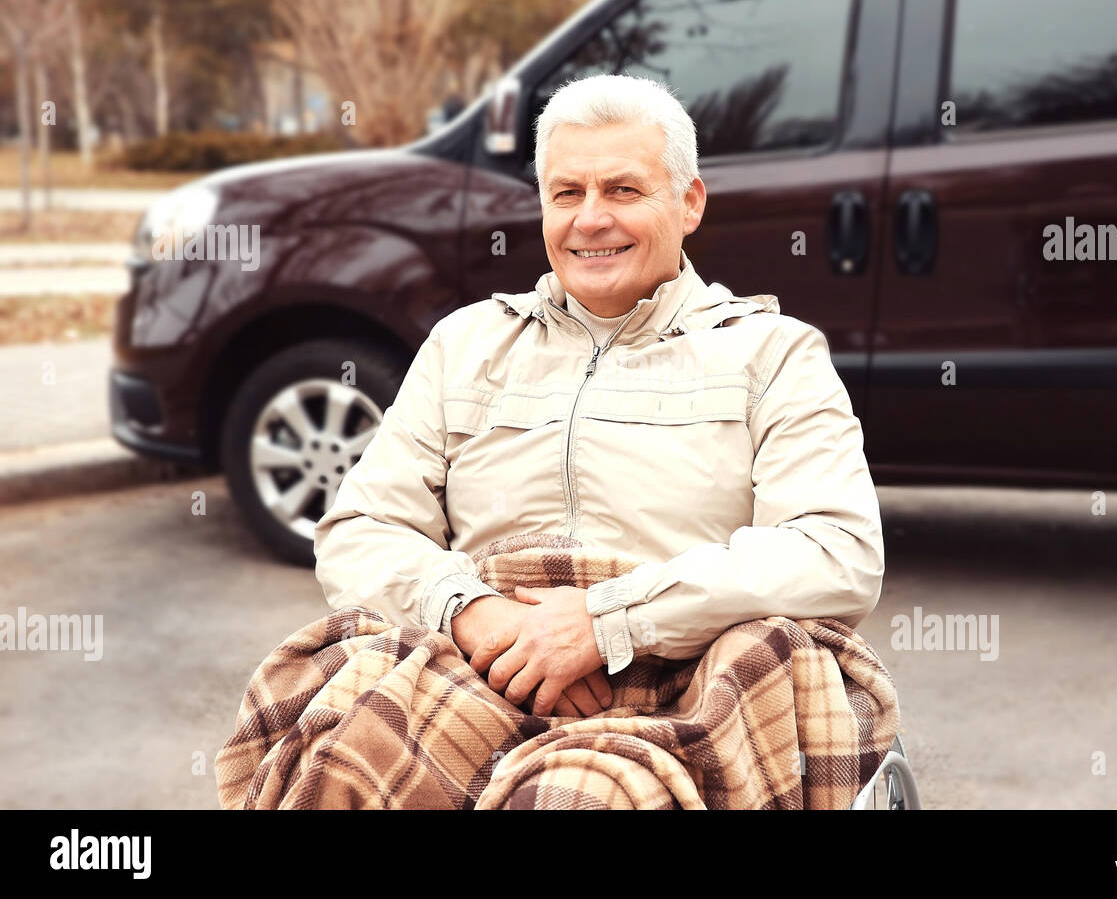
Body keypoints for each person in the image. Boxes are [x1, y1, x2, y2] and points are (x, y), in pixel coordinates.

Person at [313, 72, 885, 719]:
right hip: (483, 671)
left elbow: (836, 554)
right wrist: (473, 614)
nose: (590, 218)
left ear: (689, 202)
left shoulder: (772, 353)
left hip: (689, 689)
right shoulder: (464, 345)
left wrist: (607, 623)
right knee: (331, 753)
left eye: (623, 190)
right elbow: (359, 532)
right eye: (567, 193)